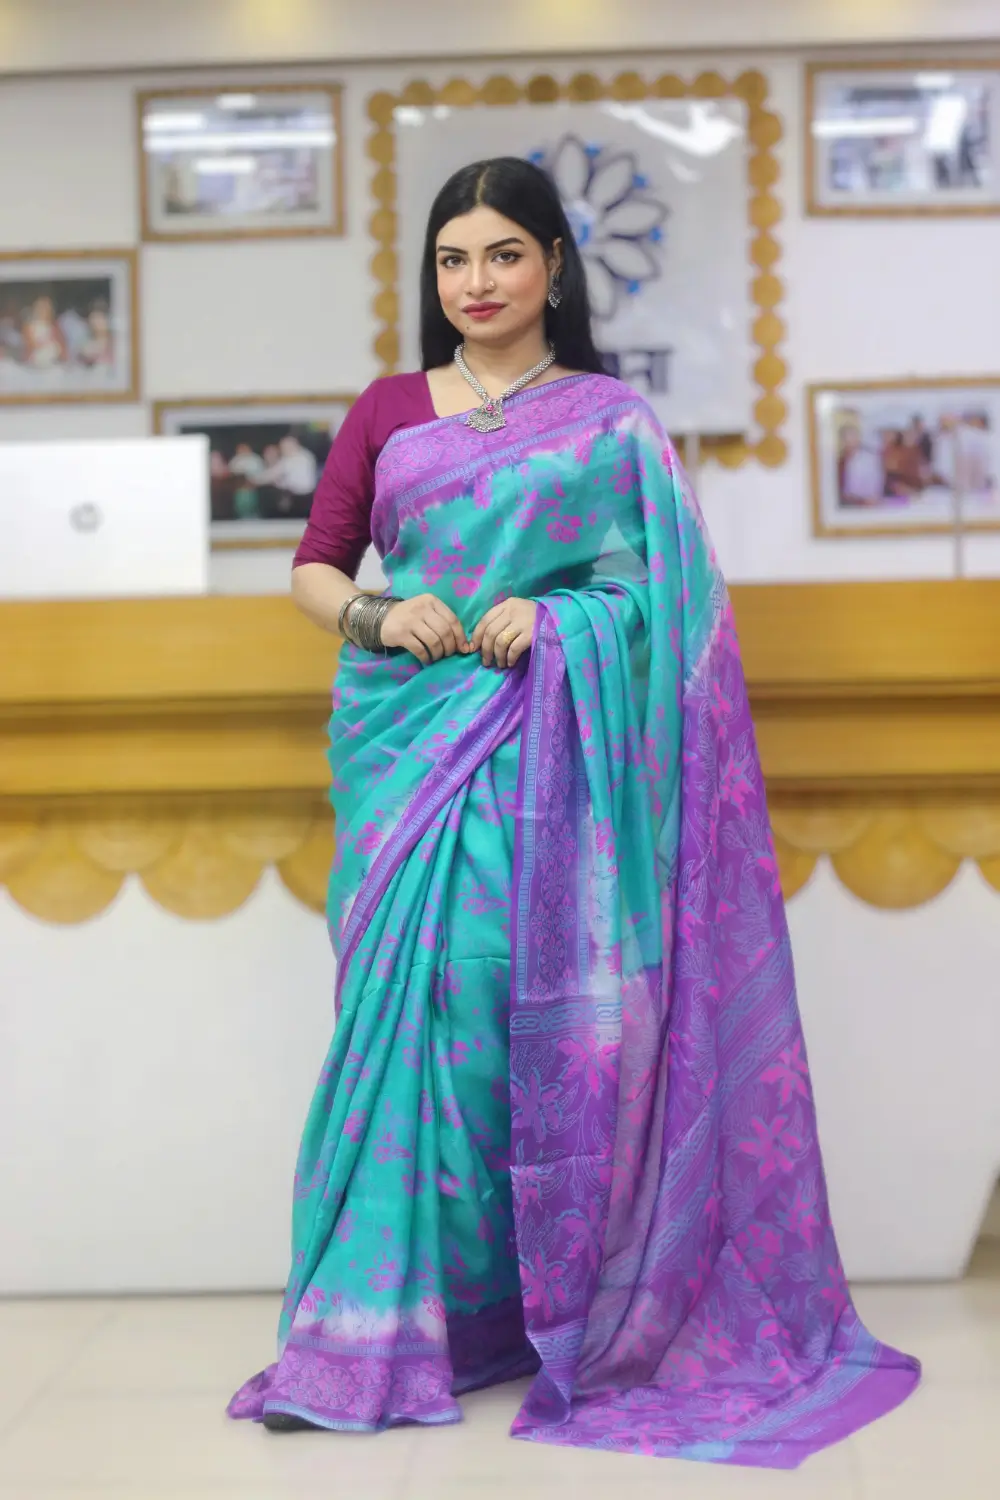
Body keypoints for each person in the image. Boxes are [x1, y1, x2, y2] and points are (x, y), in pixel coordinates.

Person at [228, 157, 918, 1464]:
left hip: (554, 758)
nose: (475, 282)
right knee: (411, 1029)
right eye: (452, 260)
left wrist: (561, 618)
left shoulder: (610, 422)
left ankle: (549, 1310)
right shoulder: (389, 410)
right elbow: (316, 565)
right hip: (409, 754)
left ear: (553, 265)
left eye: (502, 254)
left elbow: (669, 597)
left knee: (538, 1028)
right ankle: (372, 1333)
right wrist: (378, 612)